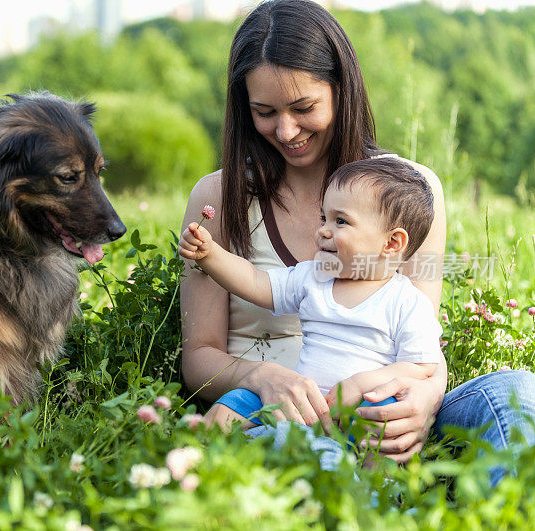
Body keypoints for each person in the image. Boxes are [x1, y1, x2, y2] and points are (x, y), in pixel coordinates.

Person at [179, 0, 535, 485]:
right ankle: (369, 504)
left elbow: (422, 348)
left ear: (342, 91)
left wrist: (425, 403)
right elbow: (198, 354)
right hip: (278, 421)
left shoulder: (409, 193)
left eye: (304, 107)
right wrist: (258, 378)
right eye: (264, 112)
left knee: (517, 394)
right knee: (289, 447)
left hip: (379, 420)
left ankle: (502, 511)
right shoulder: (219, 196)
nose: (286, 131)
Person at [180, 157, 442, 431]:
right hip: (299, 404)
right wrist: (210, 255)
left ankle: (372, 474)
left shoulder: (407, 302)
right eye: (323, 217)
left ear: (391, 243)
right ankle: (194, 458)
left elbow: (420, 364)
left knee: (382, 422)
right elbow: (255, 281)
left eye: (340, 221)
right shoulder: (313, 277)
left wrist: (361, 384)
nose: (323, 230)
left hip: (362, 406)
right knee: (232, 404)